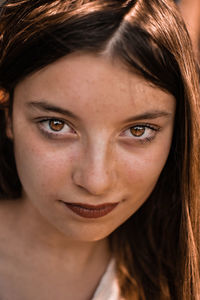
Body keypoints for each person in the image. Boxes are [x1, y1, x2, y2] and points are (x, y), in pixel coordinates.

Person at [0, 0, 199, 299]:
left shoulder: (179, 276)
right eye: (56, 125)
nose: (95, 182)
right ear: (8, 117)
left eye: (138, 130)